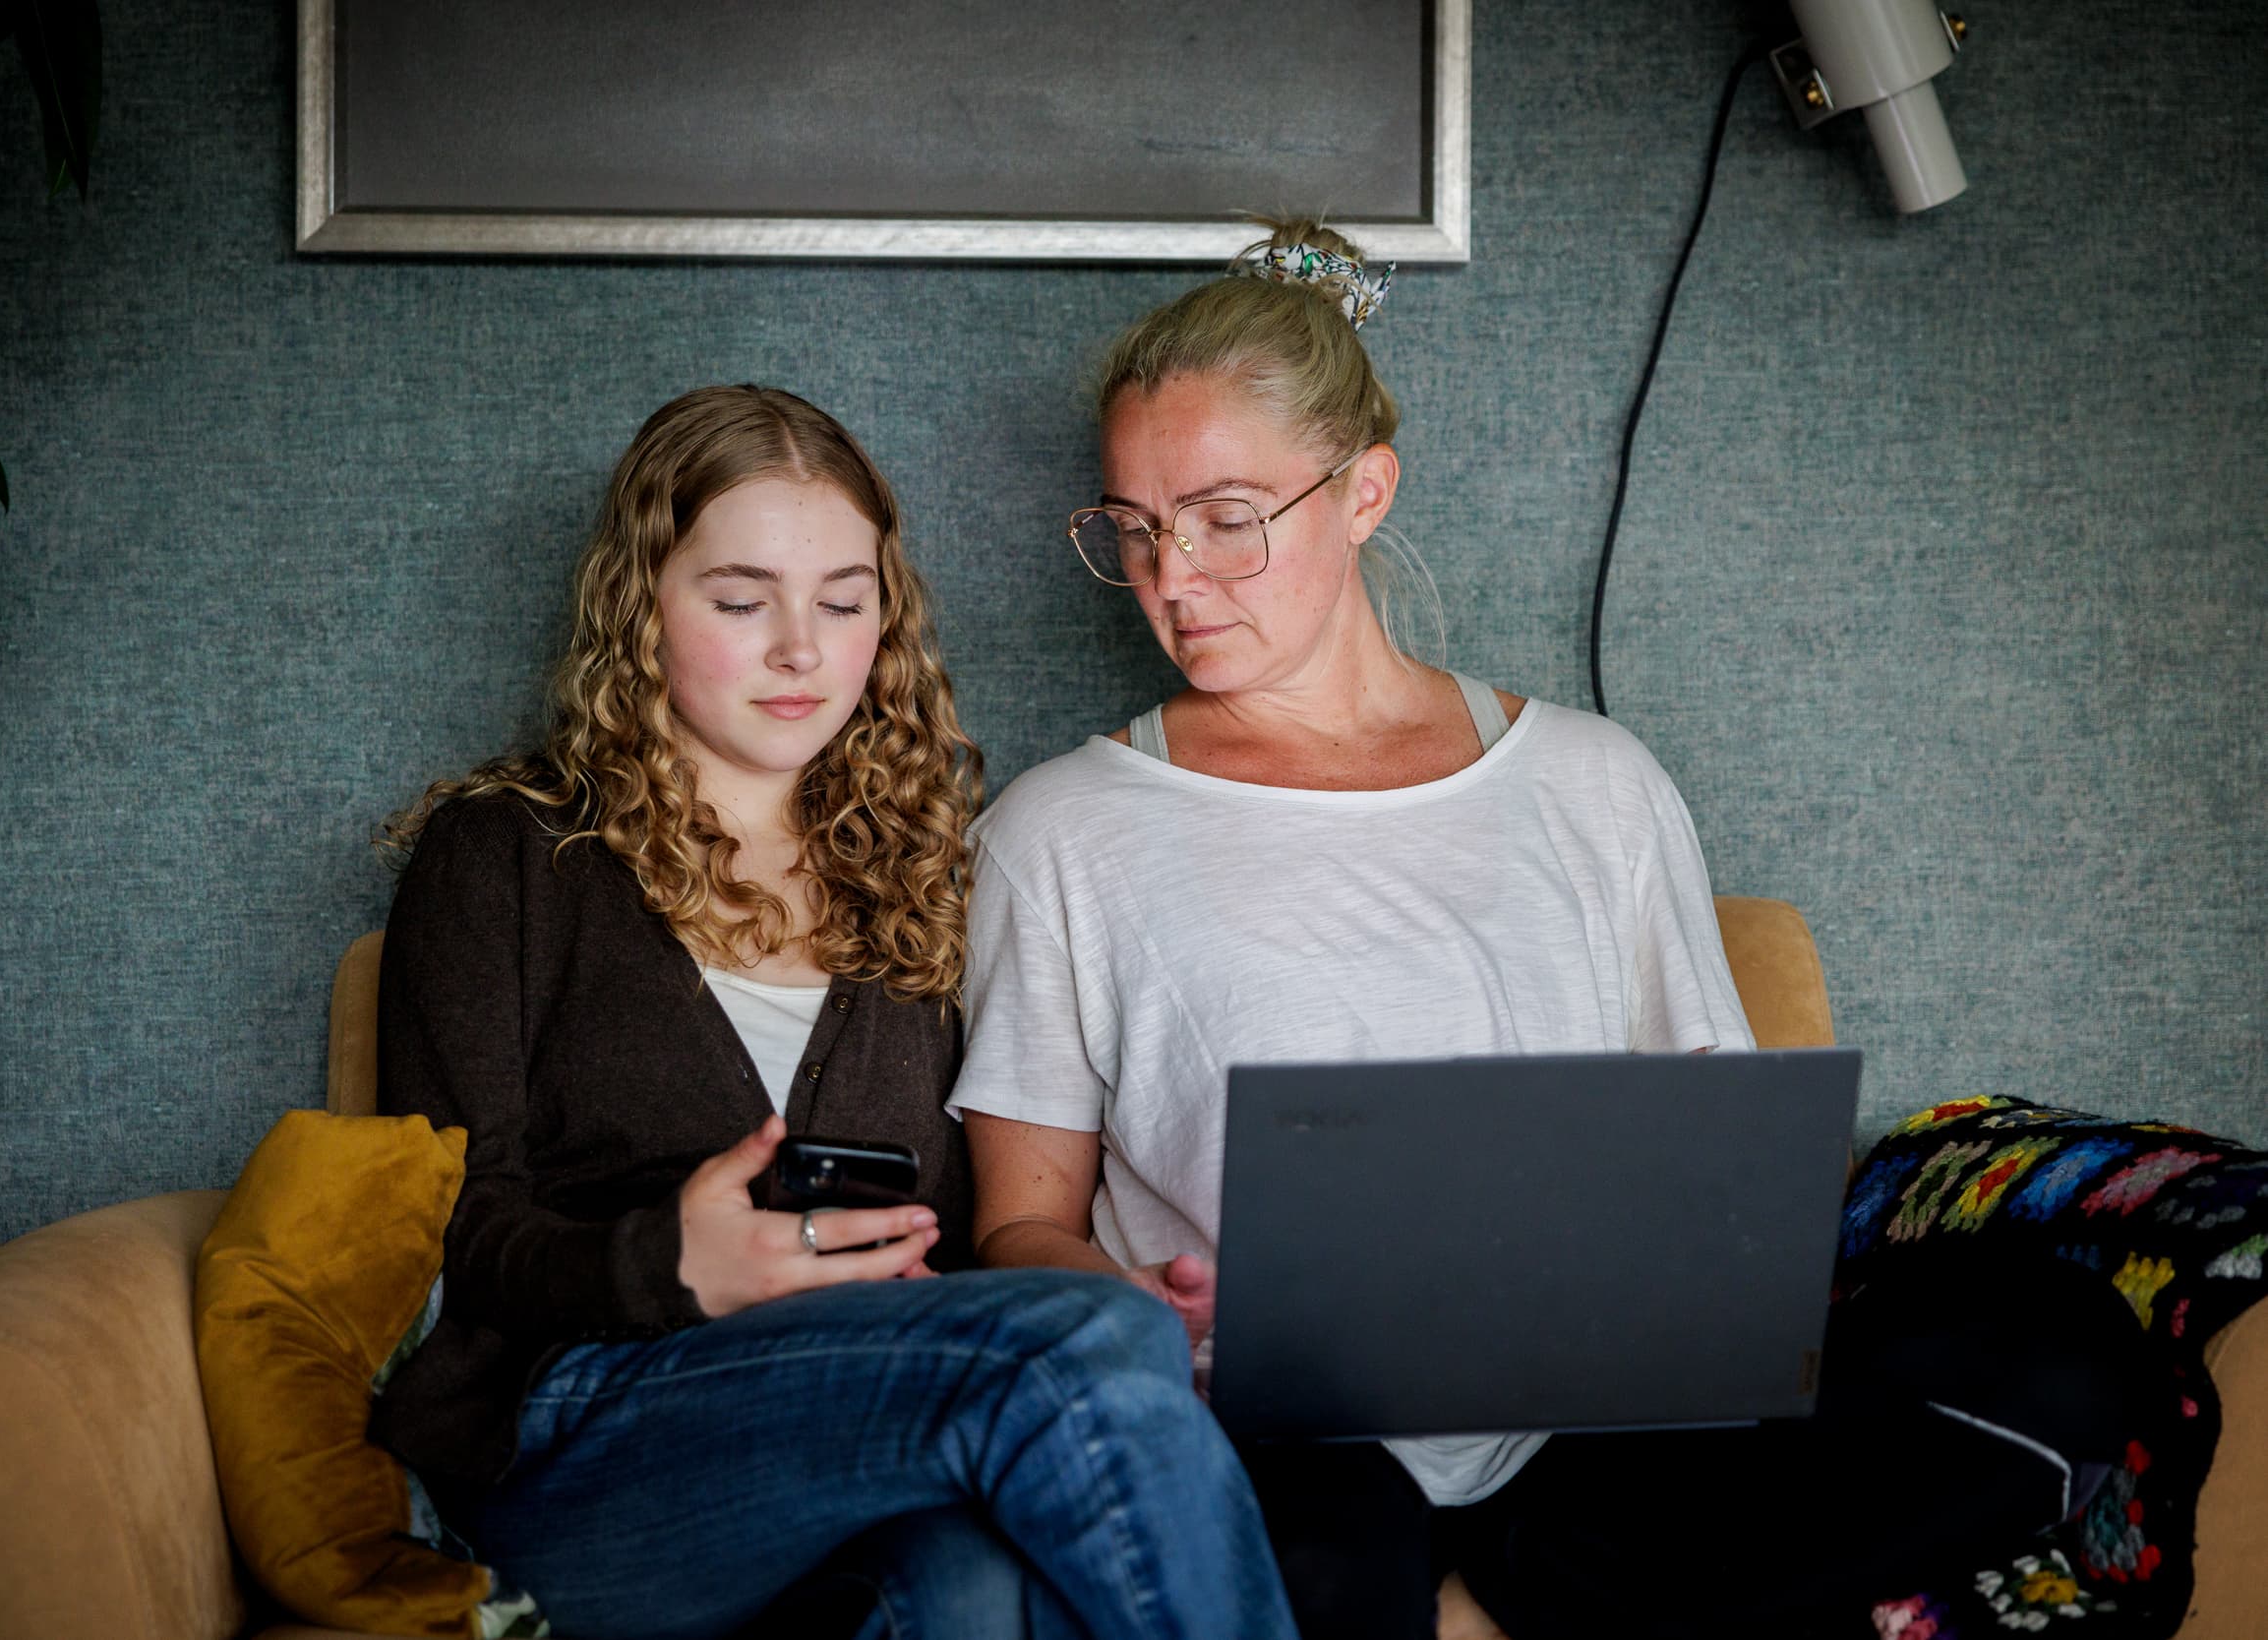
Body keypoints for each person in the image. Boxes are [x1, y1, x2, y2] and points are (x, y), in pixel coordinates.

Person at [949, 224, 2148, 1640]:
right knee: (1329, 1547)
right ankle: (1529, 1593)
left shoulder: (1593, 778)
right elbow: (1019, 1222)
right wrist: (1151, 1305)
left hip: (1601, 1435)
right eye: (1134, 530)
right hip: (1284, 1438)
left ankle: (1499, 1594)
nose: (1175, 579)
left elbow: (1726, 1154)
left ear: (1364, 492)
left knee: (2060, 1364)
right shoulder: (1059, 827)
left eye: (1224, 515)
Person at [368, 385, 1301, 1640]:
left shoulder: (920, 873)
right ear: (641, 603)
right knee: (1071, 1348)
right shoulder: (505, 856)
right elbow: (435, 1228)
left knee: (969, 1579)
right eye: (742, 600)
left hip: (856, 1434)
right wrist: (669, 1261)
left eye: (843, 602)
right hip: (581, 1448)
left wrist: (1102, 1291)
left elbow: (965, 1236)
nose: (801, 649)